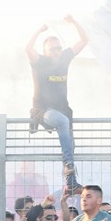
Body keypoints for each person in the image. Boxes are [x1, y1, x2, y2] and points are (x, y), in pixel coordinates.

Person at [26, 15, 89, 191]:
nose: (56, 51)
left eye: (58, 48)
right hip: (43, 110)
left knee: (70, 142)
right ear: (45, 51)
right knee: (61, 121)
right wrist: (39, 30)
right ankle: (68, 166)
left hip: (63, 110)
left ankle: (70, 182)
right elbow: (28, 48)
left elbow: (84, 40)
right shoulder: (39, 62)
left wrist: (75, 22)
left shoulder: (64, 58)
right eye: (52, 49)